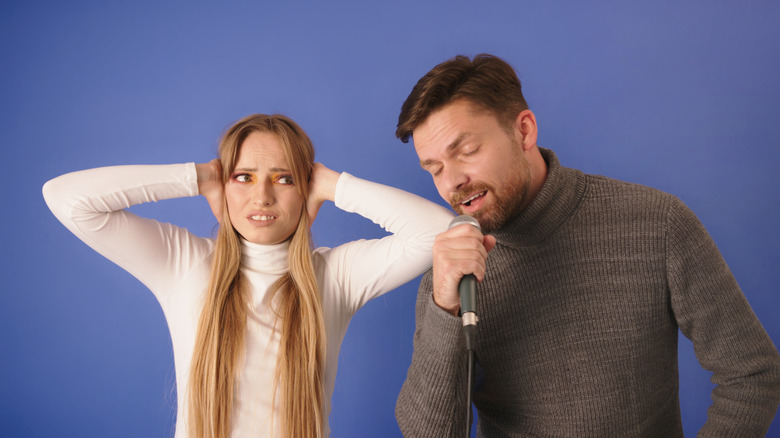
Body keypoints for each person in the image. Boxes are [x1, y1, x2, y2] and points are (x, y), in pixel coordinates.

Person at [393, 54, 780, 437]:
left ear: (524, 131)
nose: (452, 183)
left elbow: (752, 373)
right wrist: (444, 308)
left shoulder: (656, 223)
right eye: (435, 168)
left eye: (466, 151)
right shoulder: (452, 274)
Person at [42, 113, 453, 438]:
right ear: (225, 183)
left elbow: (438, 230)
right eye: (244, 177)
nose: (262, 196)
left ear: (304, 189)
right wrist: (198, 176)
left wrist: (331, 184)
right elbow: (66, 199)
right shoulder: (183, 263)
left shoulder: (333, 275)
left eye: (284, 178)